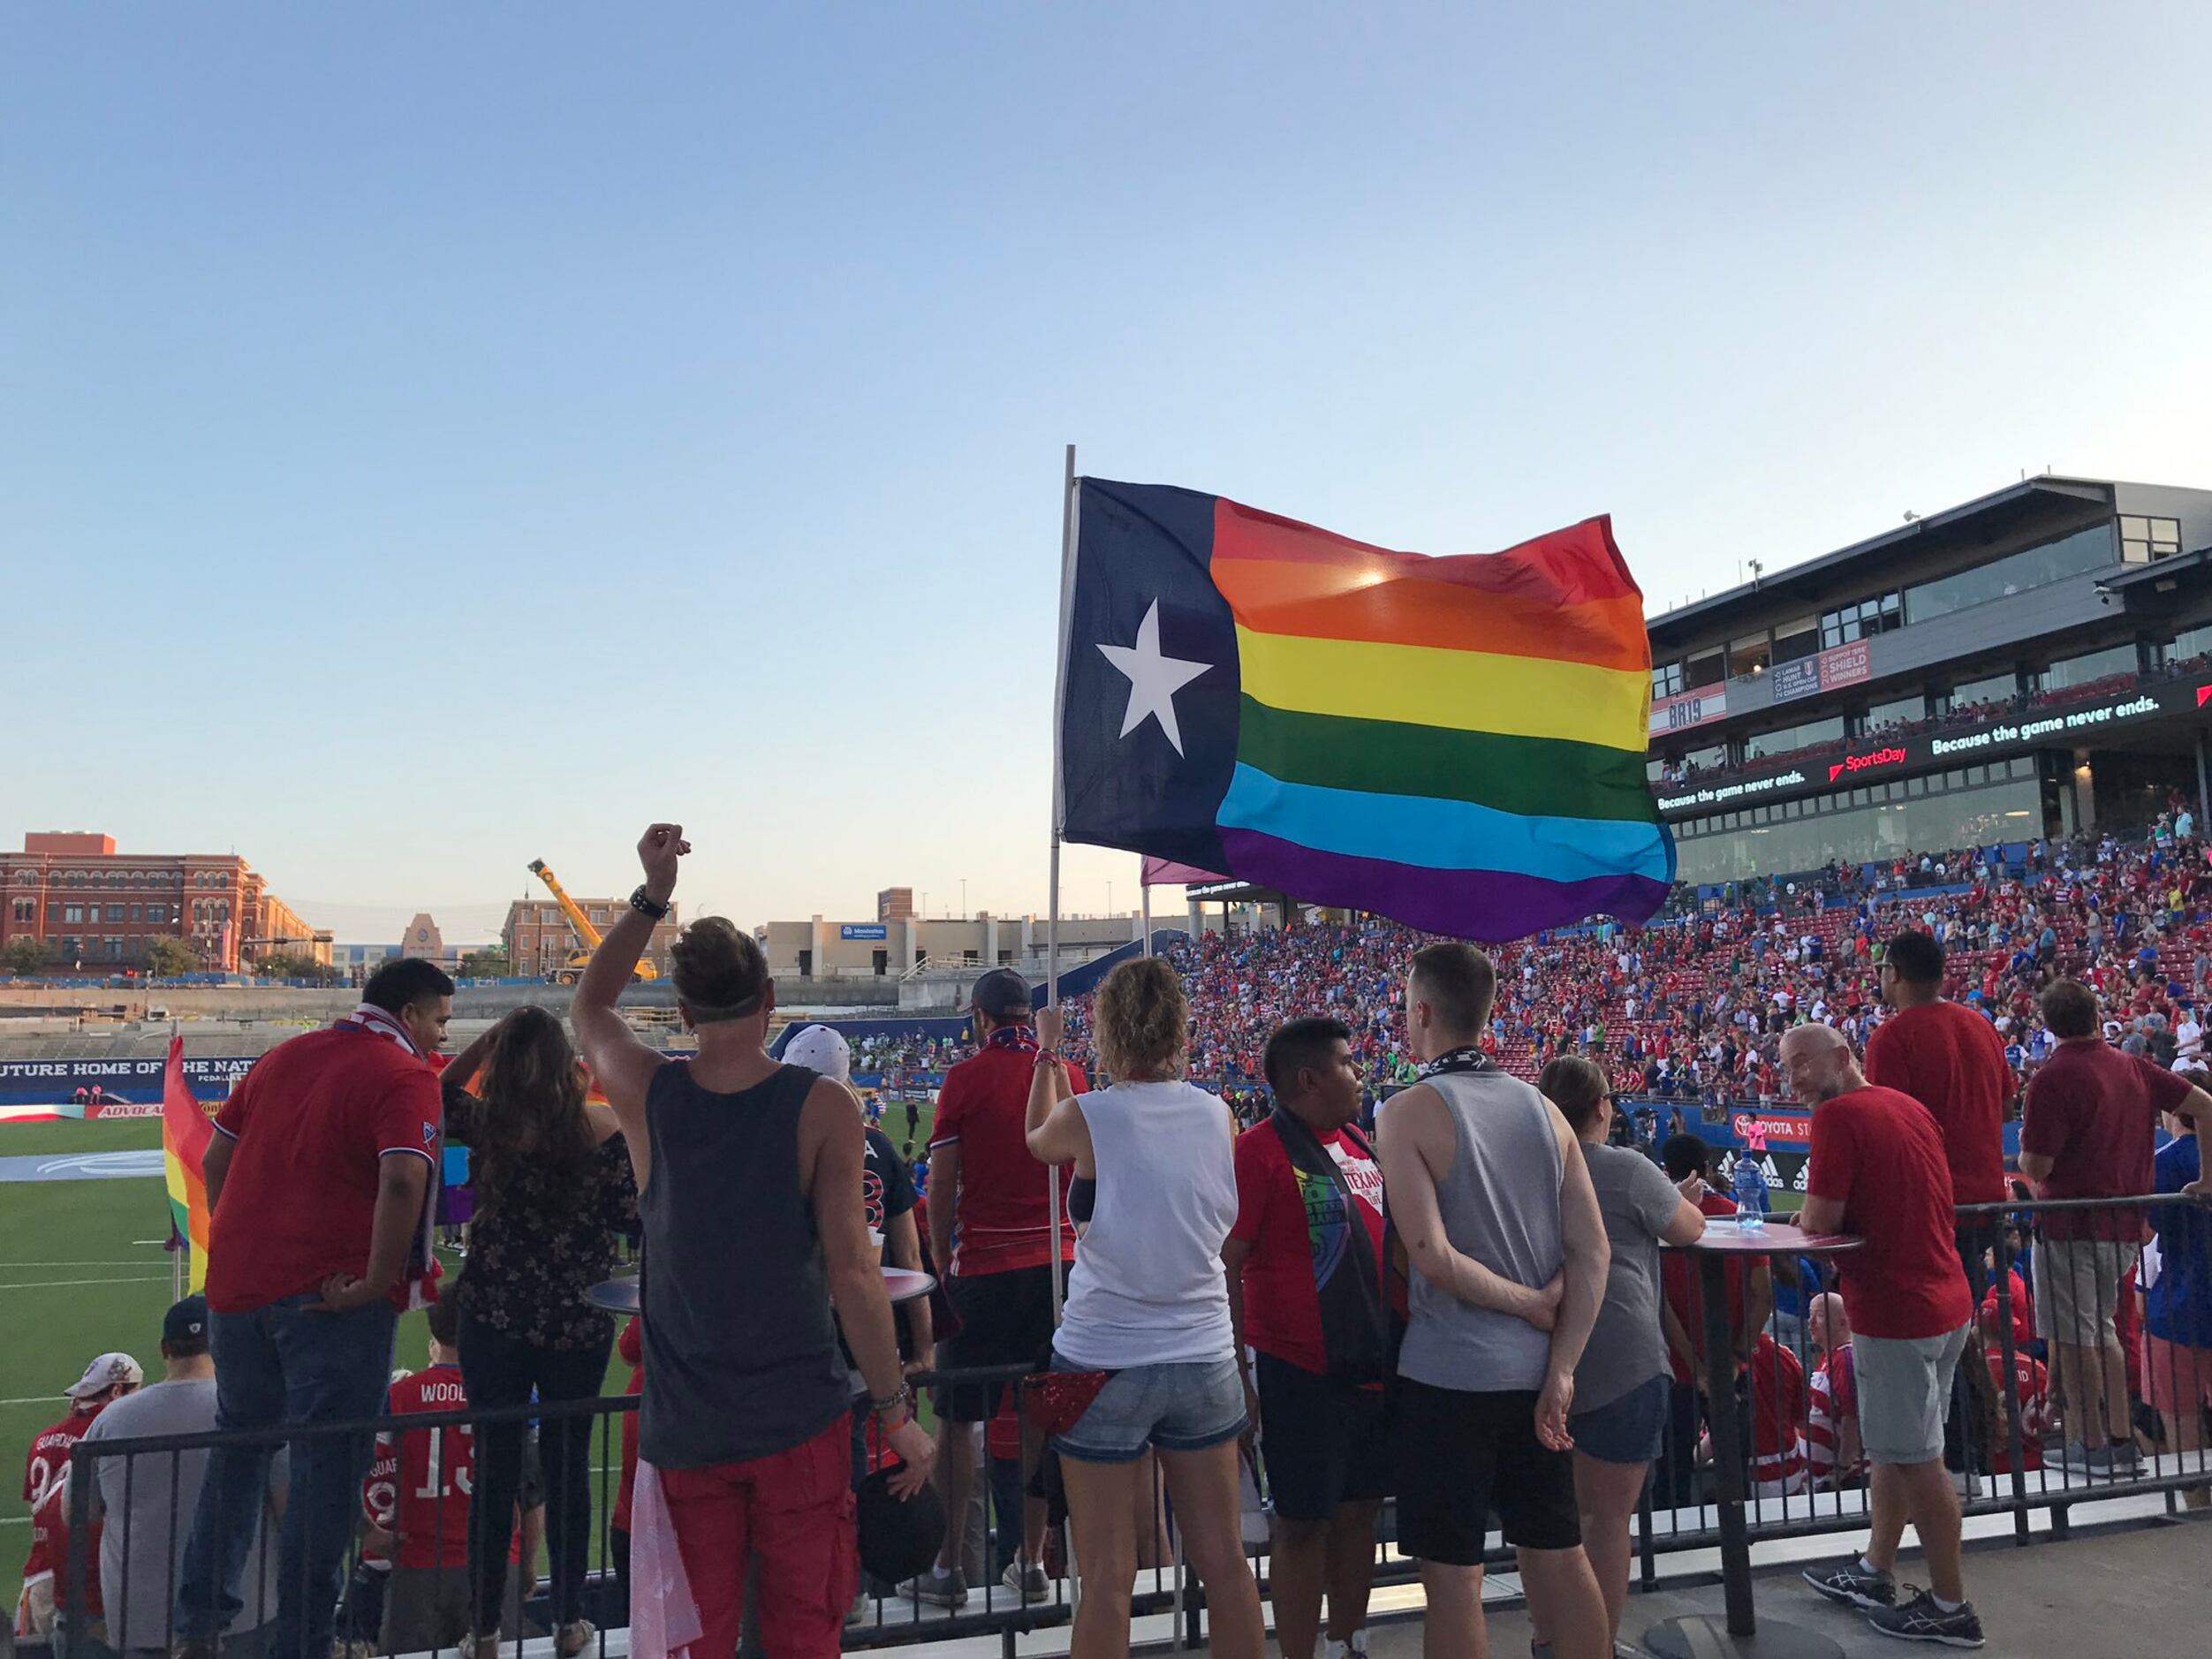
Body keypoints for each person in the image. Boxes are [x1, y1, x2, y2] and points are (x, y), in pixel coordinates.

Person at [570, 825, 931, 1659]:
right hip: (800, 1425)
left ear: (687, 1011)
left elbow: (589, 1007)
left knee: (697, 1641)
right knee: (804, 1636)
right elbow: (852, 1271)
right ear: (770, 996)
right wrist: (895, 1412)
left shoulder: (650, 1092)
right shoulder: (824, 1107)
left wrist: (652, 895)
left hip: (687, 1434)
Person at [175, 957, 450, 1659]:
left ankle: (199, 1624)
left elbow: (213, 1164)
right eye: (440, 1021)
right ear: (413, 1016)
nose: (441, 1038)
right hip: (329, 1300)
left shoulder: (284, 1057)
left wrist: (245, 1241)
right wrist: (374, 1281)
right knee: (326, 1466)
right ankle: (303, 1639)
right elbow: (401, 1181)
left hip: (238, 1292)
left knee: (239, 1449)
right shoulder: (401, 1075)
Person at [1375, 943, 1611, 1659]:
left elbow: (1432, 1256)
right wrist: (1563, 1364)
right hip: (1537, 1379)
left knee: (1453, 1580)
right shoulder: (1546, 1110)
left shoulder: (1404, 1112)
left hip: (1447, 1379)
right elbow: (1593, 1252)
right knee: (1559, 1555)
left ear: (1420, 1012)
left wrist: (1529, 1307)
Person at [1024, 962, 1263, 1659]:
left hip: (1098, 1352)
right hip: (1202, 1350)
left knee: (1105, 1578)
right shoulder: (1218, 1111)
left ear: (1108, 1028)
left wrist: (1047, 1052)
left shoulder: (1089, 1112)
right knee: (1223, 1563)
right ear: (1178, 1028)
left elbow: (1038, 1138)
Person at [435, 1006, 638, 1656]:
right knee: (569, 1467)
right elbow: (632, 1218)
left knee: (494, 1471)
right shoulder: (603, 1132)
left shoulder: (491, 1125)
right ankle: (570, 1619)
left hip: (493, 1316)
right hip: (576, 1321)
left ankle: (485, 1628)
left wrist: (487, 1041)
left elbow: (434, 1091)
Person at [1787, 1024, 1984, 1648]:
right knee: (1898, 1450)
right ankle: (1875, 1568)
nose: (1794, 1080)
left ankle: (1952, 1605)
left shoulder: (1840, 1116)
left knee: (1919, 1460)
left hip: (1899, 1312)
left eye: (1802, 1065)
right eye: (1787, 1069)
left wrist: (1805, 1218)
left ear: (1842, 1058)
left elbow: (1820, 1218)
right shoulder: (1907, 1105)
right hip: (1946, 1301)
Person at [1223, 1018, 1391, 1659]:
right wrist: (1240, 1375)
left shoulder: (1358, 1141)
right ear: (1308, 1078)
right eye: (1348, 1064)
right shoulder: (1260, 1151)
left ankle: (1350, 1642)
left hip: (1371, 1364)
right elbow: (1229, 1264)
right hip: (1298, 1370)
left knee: (1360, 1515)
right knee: (1300, 1526)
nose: (1359, 1075)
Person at [915, 966, 1084, 1606]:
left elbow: (943, 1181)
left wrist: (939, 1255)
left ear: (982, 1018)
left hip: (985, 1268)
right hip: (1060, 1271)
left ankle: (948, 1564)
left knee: (959, 1420)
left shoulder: (964, 1079)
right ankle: (1032, 1559)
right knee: (1045, 1409)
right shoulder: (1068, 1074)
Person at [1526, 1057, 1704, 1654]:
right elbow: (1690, 1230)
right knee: (1605, 1525)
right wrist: (1682, 1198)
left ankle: (1553, 1640)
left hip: (1538, 1360)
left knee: (1551, 1523)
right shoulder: (1626, 1168)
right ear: (1603, 1107)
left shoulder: (1526, 1173)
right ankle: (1593, 1646)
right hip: (1621, 1360)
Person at [2019, 980, 2212, 1475]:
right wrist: (2207, 1179)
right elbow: (2205, 1106)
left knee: (2081, 1333)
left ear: (2049, 1025)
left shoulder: (2053, 1077)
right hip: (2121, 1224)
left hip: (2070, 1225)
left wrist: (2024, 1148)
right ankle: (2118, 1438)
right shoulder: (2132, 1066)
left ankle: (2095, 1443)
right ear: (2096, 1015)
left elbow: (2037, 1168)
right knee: (2099, 1326)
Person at [1866, 929, 2011, 1490]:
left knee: (1923, 1346)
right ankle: (1963, 1463)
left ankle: (1940, 1471)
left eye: (1883, 969)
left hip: (1929, 1210)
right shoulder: (1980, 1025)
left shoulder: (1894, 1036)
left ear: (1896, 974)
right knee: (1960, 1334)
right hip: (1983, 1206)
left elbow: (1888, 1128)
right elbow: (2003, 1104)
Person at [82, 1304, 280, 1659]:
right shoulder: (253, 1413)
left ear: (164, 1349)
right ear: (221, 1343)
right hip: (241, 1616)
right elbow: (289, 1506)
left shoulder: (111, 1419)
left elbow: (77, 1511)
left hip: (139, 1617)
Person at [363, 1298, 523, 1655]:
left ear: (433, 1332)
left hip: (419, 1560)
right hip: (493, 1560)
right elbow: (531, 1488)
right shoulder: (506, 1393)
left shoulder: (397, 1395)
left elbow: (359, 1466)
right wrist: (526, 1562)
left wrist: (368, 1532)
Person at [1655, 1134, 1770, 1508]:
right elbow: (1764, 1293)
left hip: (1677, 1370)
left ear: (1665, 1169)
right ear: (1706, 1168)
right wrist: (1737, 1356)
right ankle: (1739, 1549)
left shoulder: (1663, 1224)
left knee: (1671, 1477)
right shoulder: (1739, 1214)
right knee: (1735, 1470)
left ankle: (1674, 1556)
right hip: (1730, 1366)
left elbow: (1661, 1304)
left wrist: (1697, 1366)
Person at [17, 1352, 144, 1646]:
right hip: (86, 1579)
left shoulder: (42, 1439)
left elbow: (36, 1504)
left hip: (39, 1574)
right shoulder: (109, 1435)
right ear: (116, 1390)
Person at [2143, 1076, 2212, 1507]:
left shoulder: (2164, 1161)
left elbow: (2145, 1230)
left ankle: (2197, 1510)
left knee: (2181, 1421)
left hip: (2180, 1304)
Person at [1804, 1293, 1866, 1491]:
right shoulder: (1830, 1357)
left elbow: (1852, 1418)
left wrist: (1842, 1468)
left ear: (1842, 1323)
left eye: (1819, 1316)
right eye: (1810, 1315)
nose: (1811, 1323)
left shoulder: (1845, 1359)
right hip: (1826, 1477)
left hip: (1845, 1480)